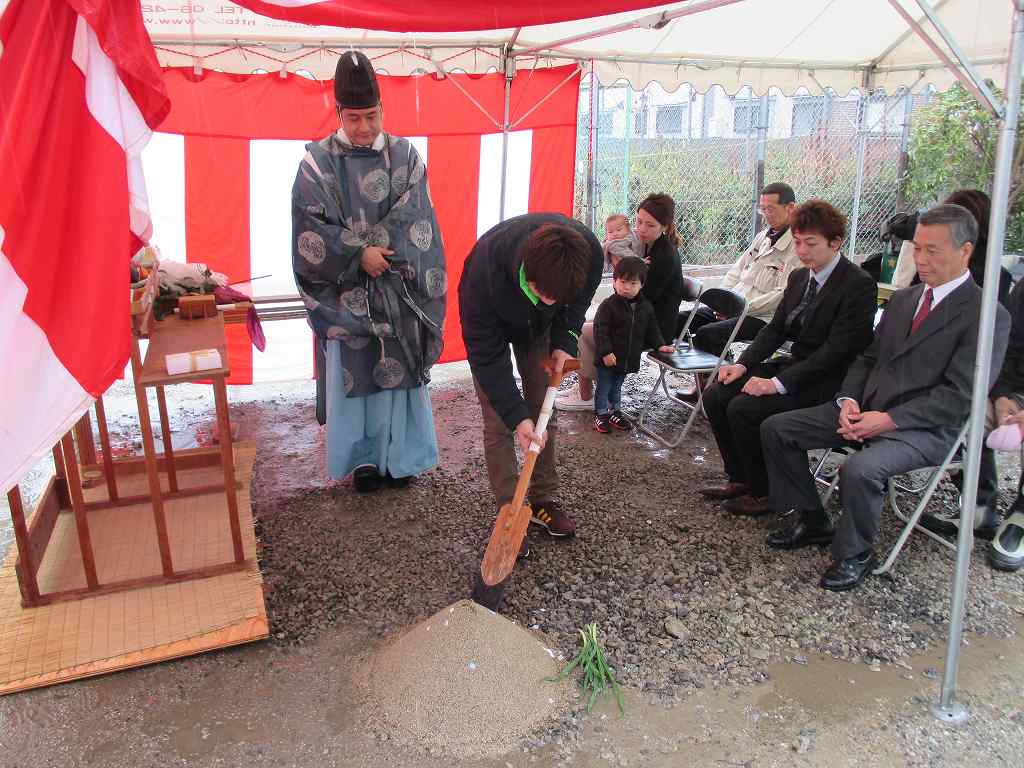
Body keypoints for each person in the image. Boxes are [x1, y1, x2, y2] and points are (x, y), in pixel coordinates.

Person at [760, 204, 1010, 592]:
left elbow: (961, 396)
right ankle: (812, 519)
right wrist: (848, 401)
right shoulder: (906, 300)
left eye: (932, 250)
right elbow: (868, 358)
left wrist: (888, 421)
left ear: (965, 251)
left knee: (860, 468)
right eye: (917, 247)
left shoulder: (986, 314)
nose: (919, 259)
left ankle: (855, 554)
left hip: (925, 427)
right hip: (868, 410)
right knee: (777, 428)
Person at [291, 51, 446, 493]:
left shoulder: (406, 156)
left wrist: (379, 253)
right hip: (347, 296)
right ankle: (363, 461)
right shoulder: (318, 163)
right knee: (355, 368)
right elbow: (309, 225)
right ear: (338, 112)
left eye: (371, 116)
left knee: (401, 373)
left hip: (398, 285)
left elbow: (417, 216)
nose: (363, 127)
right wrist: (358, 255)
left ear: (383, 108)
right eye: (354, 117)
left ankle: (401, 458)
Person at [699, 200, 877, 516]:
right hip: (798, 366)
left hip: (831, 380)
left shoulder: (858, 285)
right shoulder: (799, 277)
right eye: (797, 242)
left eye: (811, 243)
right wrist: (743, 364)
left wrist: (776, 383)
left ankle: (764, 491)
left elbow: (836, 351)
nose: (803, 250)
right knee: (716, 394)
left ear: (835, 243)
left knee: (743, 407)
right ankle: (740, 477)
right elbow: (775, 329)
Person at [459, 213, 603, 542]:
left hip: (540, 329)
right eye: (541, 292)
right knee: (500, 420)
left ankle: (543, 500)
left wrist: (564, 340)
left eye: (556, 298)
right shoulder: (484, 274)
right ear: (527, 270)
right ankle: (510, 512)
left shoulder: (588, 255)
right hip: (494, 321)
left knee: (542, 411)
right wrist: (515, 415)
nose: (547, 301)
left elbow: (576, 305)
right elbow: (485, 354)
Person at [556, 193, 684, 411]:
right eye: (638, 221)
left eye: (649, 224)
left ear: (665, 226)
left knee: (584, 333)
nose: (641, 228)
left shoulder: (665, 255)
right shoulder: (645, 245)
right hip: (637, 314)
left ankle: (590, 394)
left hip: (653, 327)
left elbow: (643, 298)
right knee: (585, 327)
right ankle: (591, 390)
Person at [592, 256, 676, 433]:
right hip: (608, 359)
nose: (627, 287)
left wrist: (660, 345)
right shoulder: (608, 306)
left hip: (626, 359)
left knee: (617, 387)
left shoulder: (645, 307)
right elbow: (600, 331)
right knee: (604, 386)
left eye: (633, 283)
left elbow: (652, 328)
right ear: (614, 282)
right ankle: (601, 414)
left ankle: (615, 412)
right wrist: (605, 352)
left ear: (642, 285)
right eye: (622, 282)